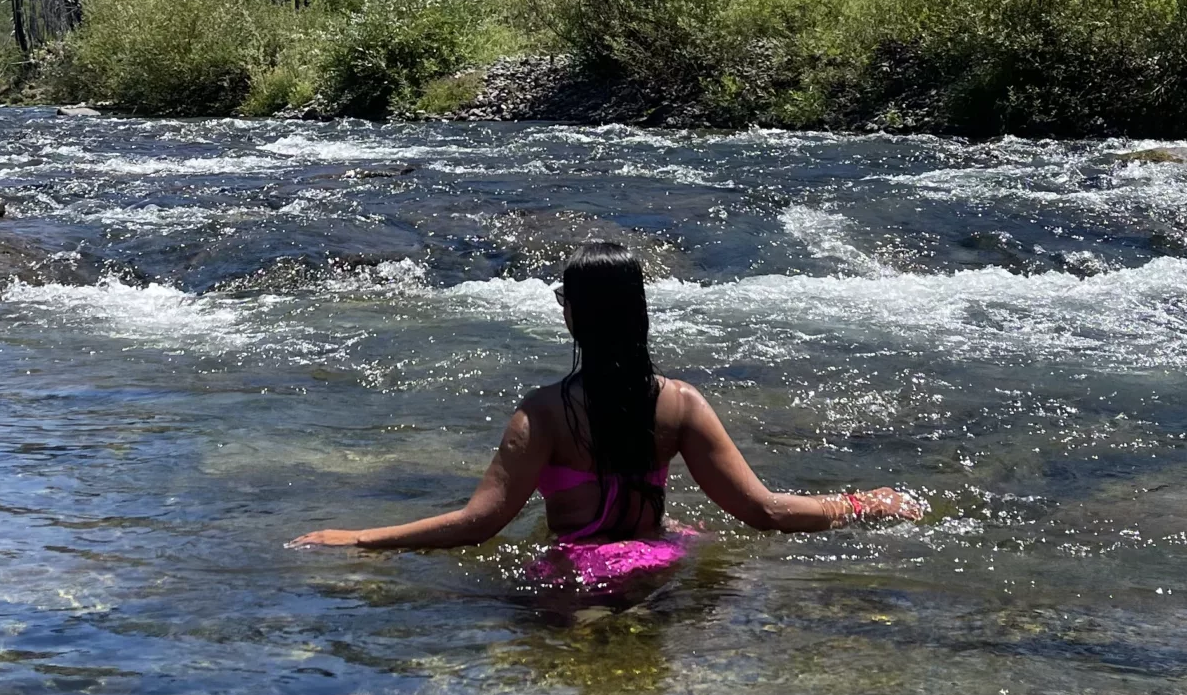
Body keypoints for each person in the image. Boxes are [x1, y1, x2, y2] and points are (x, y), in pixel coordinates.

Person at [290, 242, 921, 586]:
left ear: (574, 315)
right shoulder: (681, 402)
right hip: (663, 559)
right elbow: (762, 510)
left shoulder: (542, 413)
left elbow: (479, 524)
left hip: (577, 575)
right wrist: (861, 504)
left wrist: (361, 539)